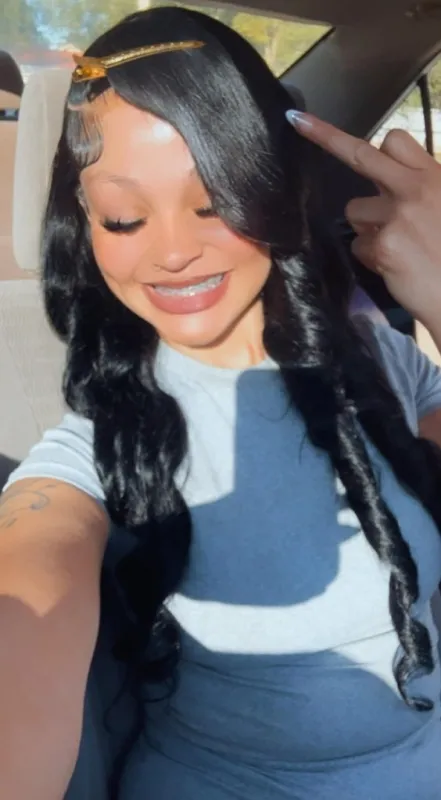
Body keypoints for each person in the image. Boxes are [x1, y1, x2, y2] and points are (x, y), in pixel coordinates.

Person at [2, 6, 441, 799]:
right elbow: (29, 602)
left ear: (276, 191)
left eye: (215, 202)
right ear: (85, 225)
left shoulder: (379, 360)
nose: (173, 251)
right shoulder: (99, 443)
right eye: (124, 218)